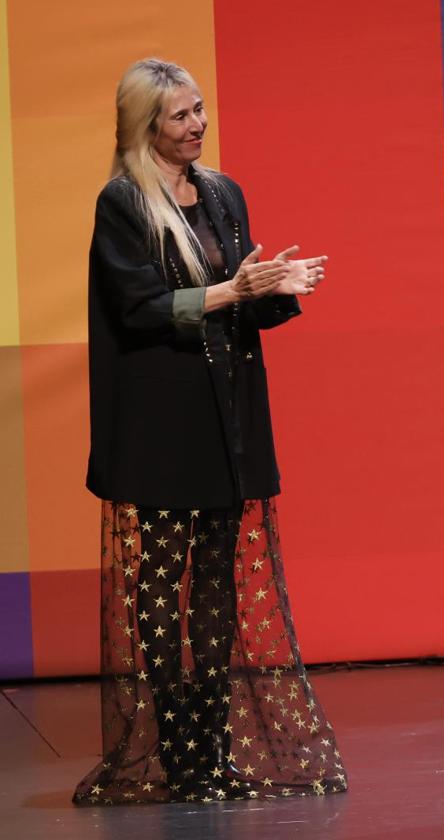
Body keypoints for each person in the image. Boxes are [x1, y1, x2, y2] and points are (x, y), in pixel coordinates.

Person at [74, 58, 347, 805]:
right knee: (163, 580)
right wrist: (234, 289)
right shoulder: (123, 203)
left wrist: (275, 292)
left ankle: (211, 749)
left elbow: (242, 308)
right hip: (162, 426)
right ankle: (179, 752)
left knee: (218, 586)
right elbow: (141, 310)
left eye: (199, 110)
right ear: (146, 127)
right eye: (180, 116)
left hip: (228, 419)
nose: (197, 124)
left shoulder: (224, 194)